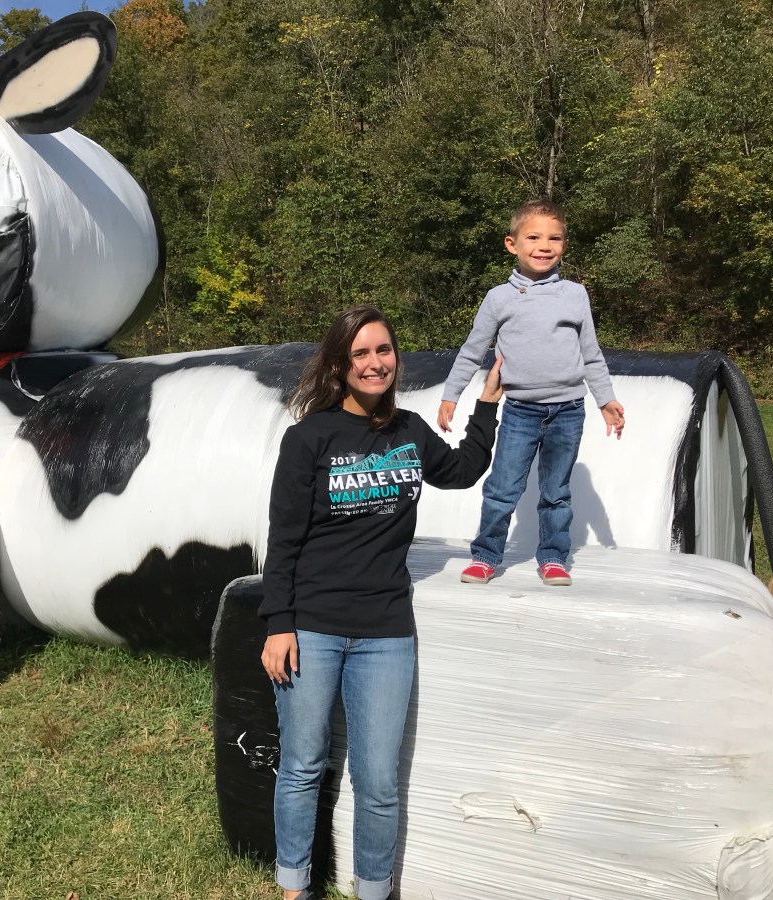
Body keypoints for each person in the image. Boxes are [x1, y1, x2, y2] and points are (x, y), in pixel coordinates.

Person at [259, 305, 503, 900]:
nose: (375, 363)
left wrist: (487, 405)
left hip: (386, 631)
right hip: (311, 627)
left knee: (377, 782)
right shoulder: (309, 438)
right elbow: (283, 539)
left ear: (396, 357)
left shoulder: (410, 432)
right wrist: (278, 624)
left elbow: (463, 470)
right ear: (339, 366)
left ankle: (373, 890)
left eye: (384, 350)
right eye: (361, 353)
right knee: (302, 766)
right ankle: (294, 888)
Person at [437, 199, 625, 587]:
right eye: (534, 237)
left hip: (568, 410)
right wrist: (451, 395)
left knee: (556, 492)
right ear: (513, 244)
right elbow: (472, 350)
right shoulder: (499, 298)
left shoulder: (575, 294)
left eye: (554, 238)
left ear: (564, 245)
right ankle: (485, 556)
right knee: (503, 487)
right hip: (520, 411)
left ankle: (553, 558)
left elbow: (591, 354)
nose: (544, 246)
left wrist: (605, 399)